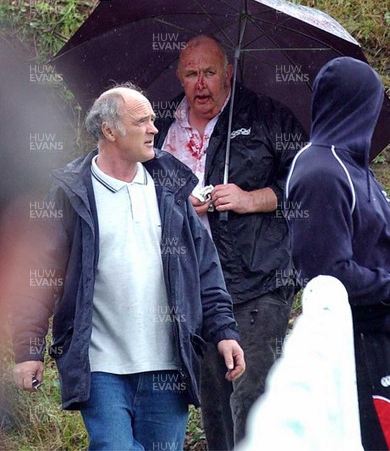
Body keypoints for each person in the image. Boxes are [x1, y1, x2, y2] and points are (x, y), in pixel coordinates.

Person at [12, 83, 245, 451]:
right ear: (110, 130)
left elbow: (204, 270)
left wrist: (225, 331)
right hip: (100, 367)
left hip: (168, 367)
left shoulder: (170, 187)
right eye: (143, 121)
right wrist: (28, 350)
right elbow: (39, 278)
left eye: (153, 119)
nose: (154, 128)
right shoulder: (73, 193)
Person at [155, 34, 307, 448]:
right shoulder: (160, 126)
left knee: (252, 392)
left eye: (209, 72)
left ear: (229, 73)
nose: (200, 83)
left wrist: (247, 199)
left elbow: (304, 187)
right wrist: (175, 203)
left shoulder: (267, 117)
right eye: (191, 74)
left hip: (259, 279)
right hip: (197, 284)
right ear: (179, 77)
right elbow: (140, 194)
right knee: (215, 401)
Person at [285, 57, 390, 450]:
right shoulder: (321, 172)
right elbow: (326, 275)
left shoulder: (355, 168)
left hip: (378, 337)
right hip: (356, 343)